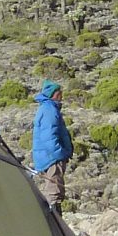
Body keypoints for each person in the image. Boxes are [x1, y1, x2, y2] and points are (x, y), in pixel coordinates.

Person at [31, 80, 73, 209]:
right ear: (55, 94)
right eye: (60, 92)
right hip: (52, 158)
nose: (62, 95)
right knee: (54, 192)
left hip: (47, 156)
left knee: (54, 190)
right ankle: (54, 221)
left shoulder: (47, 108)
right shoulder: (49, 110)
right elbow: (49, 136)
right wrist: (59, 154)